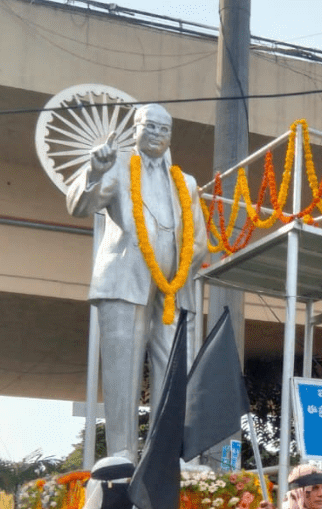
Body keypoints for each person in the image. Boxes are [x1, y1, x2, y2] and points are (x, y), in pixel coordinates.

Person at [66, 103, 209, 462]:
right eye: (151, 127)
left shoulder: (185, 183)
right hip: (125, 279)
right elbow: (79, 206)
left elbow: (199, 241)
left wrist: (176, 274)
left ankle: (165, 458)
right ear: (136, 130)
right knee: (121, 373)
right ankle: (121, 456)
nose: (158, 135)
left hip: (174, 290)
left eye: (165, 129)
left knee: (175, 373)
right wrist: (95, 168)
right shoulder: (116, 166)